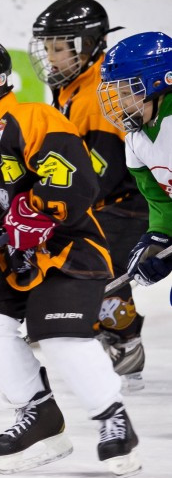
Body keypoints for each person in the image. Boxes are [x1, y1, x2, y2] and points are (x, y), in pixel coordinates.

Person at [0, 36, 140, 477]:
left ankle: (113, 418)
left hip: (68, 245)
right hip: (16, 256)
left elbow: (74, 178)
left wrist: (39, 207)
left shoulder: (31, 117)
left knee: (57, 334)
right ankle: (40, 417)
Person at [29, 0, 149, 391]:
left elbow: (105, 169)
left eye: (58, 47)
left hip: (128, 204)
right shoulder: (72, 86)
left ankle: (116, 335)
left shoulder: (97, 91)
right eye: (47, 47)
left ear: (87, 43)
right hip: (113, 202)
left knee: (77, 262)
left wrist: (57, 202)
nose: (50, 57)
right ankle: (121, 336)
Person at [97, 31, 172, 301]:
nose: (121, 104)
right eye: (117, 93)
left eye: (128, 93)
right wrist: (158, 238)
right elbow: (160, 201)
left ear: (159, 83)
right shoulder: (135, 141)